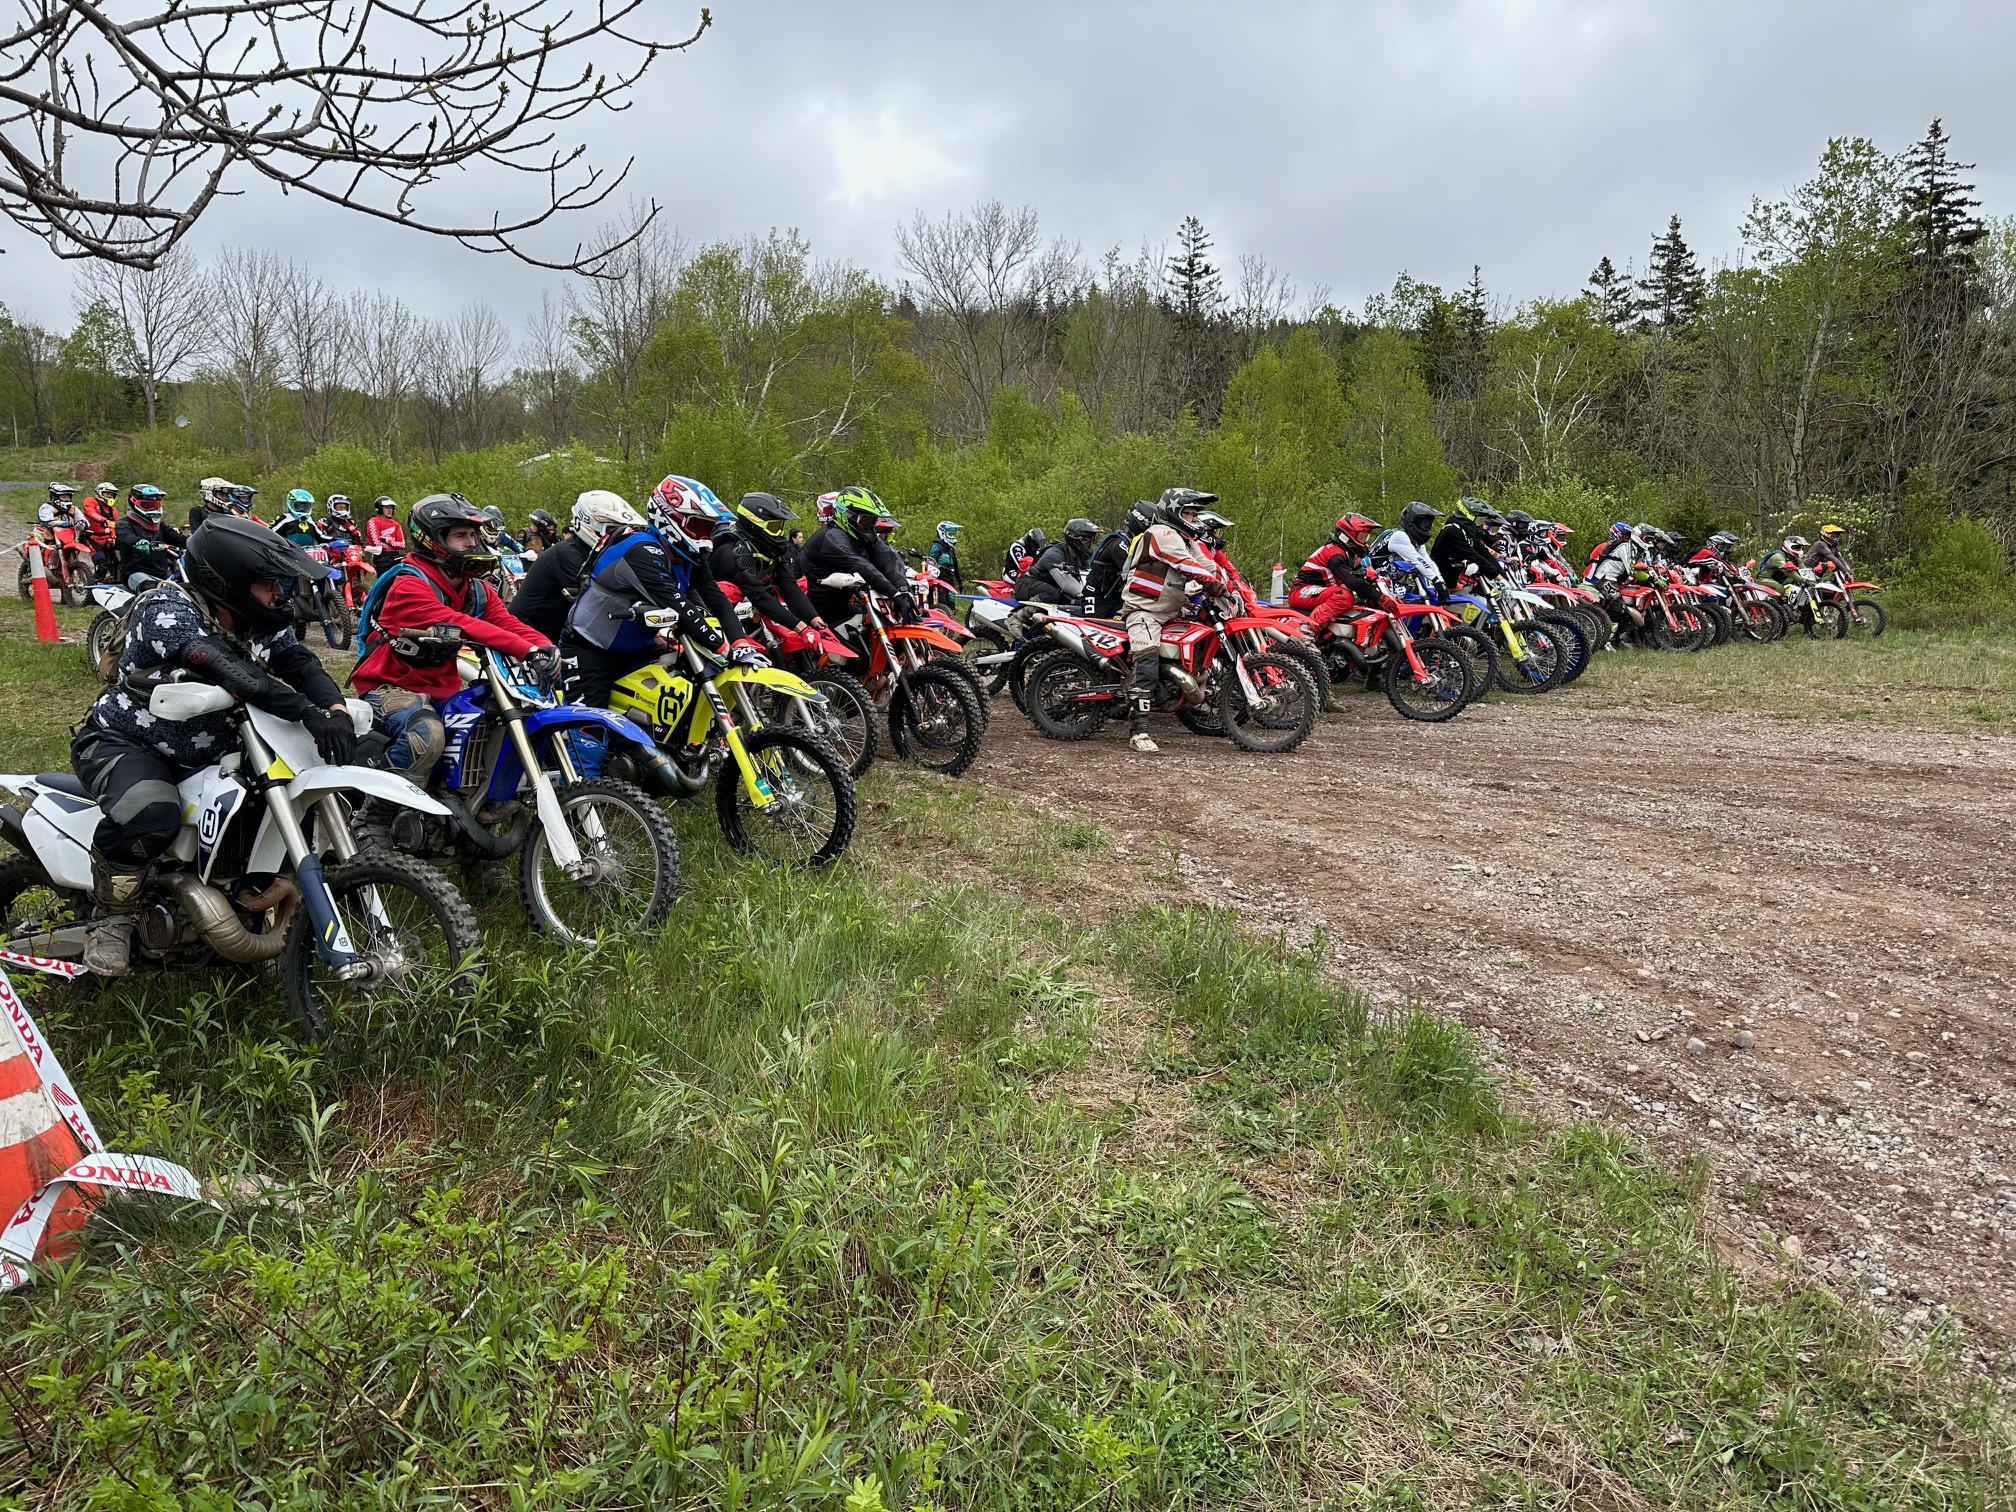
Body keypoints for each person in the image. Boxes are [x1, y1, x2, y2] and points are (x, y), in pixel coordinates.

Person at [70, 517, 355, 975]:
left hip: (218, 749)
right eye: (267, 585)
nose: (277, 595)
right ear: (228, 582)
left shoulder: (254, 615)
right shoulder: (165, 609)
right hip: (125, 741)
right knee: (149, 813)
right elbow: (233, 672)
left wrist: (335, 711)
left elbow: (300, 662)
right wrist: (305, 712)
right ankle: (112, 918)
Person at [352, 494, 555, 785]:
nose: (472, 542)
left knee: (489, 720)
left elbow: (507, 622)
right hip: (388, 686)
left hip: (440, 686)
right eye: (461, 535)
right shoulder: (408, 585)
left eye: (473, 534)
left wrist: (544, 647)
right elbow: (461, 624)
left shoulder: (475, 588)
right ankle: (375, 817)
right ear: (433, 539)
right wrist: (527, 651)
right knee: (427, 736)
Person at [560, 475, 752, 709]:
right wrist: (725, 649)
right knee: (589, 739)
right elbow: (678, 605)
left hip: (638, 649)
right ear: (669, 519)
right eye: (699, 526)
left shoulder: (689, 555)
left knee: (671, 716)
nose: (704, 536)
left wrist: (741, 643)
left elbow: (717, 600)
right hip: (589, 650)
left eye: (708, 528)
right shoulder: (642, 549)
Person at [1119, 488, 1228, 754]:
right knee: (1147, 662)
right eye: (1189, 513)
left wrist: (1227, 584)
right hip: (1143, 612)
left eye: (1195, 514)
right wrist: (1212, 584)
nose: (1193, 518)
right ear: (1174, 512)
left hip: (1170, 613)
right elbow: (1186, 564)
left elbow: (1206, 564)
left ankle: (1188, 695)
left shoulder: (1187, 540)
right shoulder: (1160, 534)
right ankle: (1139, 731)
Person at [512, 491, 642, 643]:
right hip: (529, 634)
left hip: (553, 633)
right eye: (612, 529)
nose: (619, 535)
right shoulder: (568, 553)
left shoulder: (590, 551)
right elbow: (599, 598)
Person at [711, 491, 827, 637]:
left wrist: (814, 620)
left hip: (751, 609)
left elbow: (789, 585)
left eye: (780, 526)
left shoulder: (773, 548)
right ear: (753, 523)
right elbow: (758, 596)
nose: (779, 533)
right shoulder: (734, 552)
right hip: (718, 617)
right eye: (773, 527)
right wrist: (801, 628)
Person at [801, 485, 917, 630]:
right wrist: (893, 593)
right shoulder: (832, 536)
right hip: (808, 612)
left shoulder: (864, 536)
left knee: (874, 628)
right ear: (847, 515)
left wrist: (902, 590)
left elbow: (889, 557)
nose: (870, 526)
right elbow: (859, 564)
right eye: (866, 520)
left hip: (836, 607)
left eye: (873, 521)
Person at [1290, 513, 1383, 631]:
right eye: (1362, 536)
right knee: (1343, 597)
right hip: (1301, 590)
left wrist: (1371, 581)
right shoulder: (1334, 553)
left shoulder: (1351, 555)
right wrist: (1380, 597)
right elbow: (1352, 582)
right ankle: (1307, 630)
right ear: (1347, 535)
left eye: (1366, 537)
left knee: (1362, 601)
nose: (1364, 541)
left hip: (1322, 591)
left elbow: (1359, 580)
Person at [1083, 504, 1153, 618]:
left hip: (1115, 596)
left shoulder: (1135, 543)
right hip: (1096, 595)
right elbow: (1133, 573)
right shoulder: (1120, 544)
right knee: (1091, 628)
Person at [112, 486, 184, 588]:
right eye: (148, 505)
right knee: (151, 589)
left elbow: (176, 538)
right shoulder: (124, 523)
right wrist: (139, 541)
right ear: (134, 502)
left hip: (161, 574)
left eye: (156, 505)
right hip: (134, 573)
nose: (153, 509)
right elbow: (126, 537)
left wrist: (195, 541)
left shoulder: (160, 525)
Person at [1368, 502, 1445, 593]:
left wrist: (1440, 581)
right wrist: (1435, 580)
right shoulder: (1399, 536)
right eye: (1425, 524)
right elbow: (1417, 560)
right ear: (1413, 521)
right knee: (1408, 598)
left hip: (1388, 581)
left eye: (1429, 525)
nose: (1427, 528)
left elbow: (1428, 562)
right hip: (1373, 581)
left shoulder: (1414, 540)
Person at [1019, 518, 1099, 605]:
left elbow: (1087, 580)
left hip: (1049, 586)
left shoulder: (1081, 558)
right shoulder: (1053, 554)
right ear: (1073, 539)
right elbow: (1067, 584)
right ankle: (1024, 612)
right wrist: (1090, 599)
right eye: (1085, 540)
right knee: (1053, 594)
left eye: (1092, 540)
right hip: (1027, 585)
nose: (1089, 544)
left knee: (1067, 598)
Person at [1431, 497, 1507, 586]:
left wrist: (1504, 576)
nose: (1480, 525)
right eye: (1479, 520)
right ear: (1466, 517)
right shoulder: (1452, 531)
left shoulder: (1467, 533)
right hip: (1436, 583)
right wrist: (1499, 578)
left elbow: (1485, 554)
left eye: (1482, 521)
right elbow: (1475, 557)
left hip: (1451, 582)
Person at [79, 484, 119, 577]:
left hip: (107, 538)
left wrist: (113, 537)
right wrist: (103, 520)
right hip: (92, 537)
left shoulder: (113, 510)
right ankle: (94, 584)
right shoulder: (90, 501)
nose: (109, 496)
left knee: (117, 564)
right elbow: (90, 512)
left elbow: (114, 525)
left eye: (111, 494)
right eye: (107, 494)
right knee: (101, 564)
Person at [364, 496, 405, 574]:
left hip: (395, 555)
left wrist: (389, 541)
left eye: (391, 508)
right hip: (381, 556)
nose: (389, 510)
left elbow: (402, 545)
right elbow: (376, 543)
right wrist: (393, 544)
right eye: (386, 508)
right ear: (379, 509)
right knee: (384, 578)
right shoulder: (373, 521)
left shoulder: (396, 524)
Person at [927, 520, 964, 594]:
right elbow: (930, 565)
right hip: (939, 582)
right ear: (943, 533)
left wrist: (960, 582)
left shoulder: (950, 549)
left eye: (953, 534)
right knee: (942, 603)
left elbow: (955, 566)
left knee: (951, 602)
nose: (952, 537)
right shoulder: (936, 547)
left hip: (950, 582)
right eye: (950, 534)